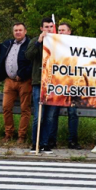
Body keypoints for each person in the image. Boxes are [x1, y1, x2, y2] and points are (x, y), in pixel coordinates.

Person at [0, 22, 32, 144]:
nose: (18, 32)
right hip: (9, 81)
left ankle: (22, 136)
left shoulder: (30, 45)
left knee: (25, 109)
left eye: (20, 30)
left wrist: (23, 74)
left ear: (25, 31)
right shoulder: (7, 44)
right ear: (13, 32)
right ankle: (8, 133)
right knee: (6, 107)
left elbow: (33, 63)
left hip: (24, 81)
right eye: (16, 30)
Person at [26, 17, 57, 153]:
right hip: (39, 82)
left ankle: (45, 143)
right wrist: (39, 42)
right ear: (41, 28)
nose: (48, 29)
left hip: (54, 84)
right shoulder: (35, 41)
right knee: (39, 116)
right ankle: (35, 142)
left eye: (51, 27)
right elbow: (28, 56)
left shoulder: (58, 42)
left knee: (50, 117)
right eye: (46, 27)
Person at [49, 22, 80, 150]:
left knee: (73, 113)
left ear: (69, 31)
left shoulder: (77, 44)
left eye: (63, 30)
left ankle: (72, 141)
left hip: (73, 84)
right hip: (57, 84)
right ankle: (51, 140)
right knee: (53, 113)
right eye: (59, 30)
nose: (61, 32)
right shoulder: (53, 44)